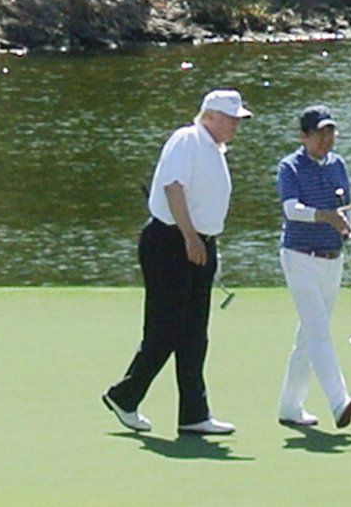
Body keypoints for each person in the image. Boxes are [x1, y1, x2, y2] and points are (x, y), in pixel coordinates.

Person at [102, 89, 251, 434]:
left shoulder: (214, 149)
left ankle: (194, 414)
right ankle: (125, 396)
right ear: (211, 116)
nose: (235, 127)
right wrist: (189, 237)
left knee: (194, 333)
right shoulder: (188, 139)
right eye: (231, 120)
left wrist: (206, 242)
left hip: (199, 244)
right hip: (171, 242)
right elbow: (173, 188)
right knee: (166, 327)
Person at [276, 105, 351, 429]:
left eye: (330, 132)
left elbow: (345, 206)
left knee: (309, 335)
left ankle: (290, 406)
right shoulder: (290, 167)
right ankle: (339, 401)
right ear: (304, 136)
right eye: (319, 133)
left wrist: (348, 229)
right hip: (299, 257)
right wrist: (324, 216)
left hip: (331, 258)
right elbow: (291, 209)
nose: (326, 139)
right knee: (319, 332)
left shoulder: (338, 164)